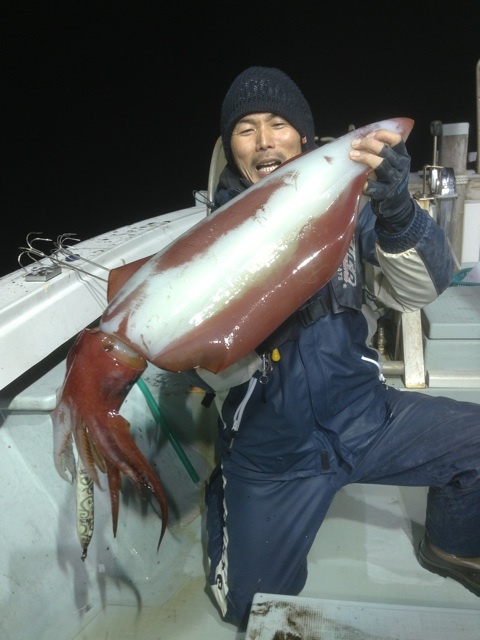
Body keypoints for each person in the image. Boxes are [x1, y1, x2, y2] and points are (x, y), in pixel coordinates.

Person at [190, 66, 480, 629]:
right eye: (246, 130)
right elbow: (209, 374)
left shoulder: (350, 204)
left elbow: (423, 289)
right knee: (251, 610)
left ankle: (450, 545)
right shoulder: (214, 240)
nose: (264, 140)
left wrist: (397, 210)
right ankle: (227, 495)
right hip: (276, 451)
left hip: (364, 417)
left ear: (302, 136)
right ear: (232, 148)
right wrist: (248, 325)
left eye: (277, 124)